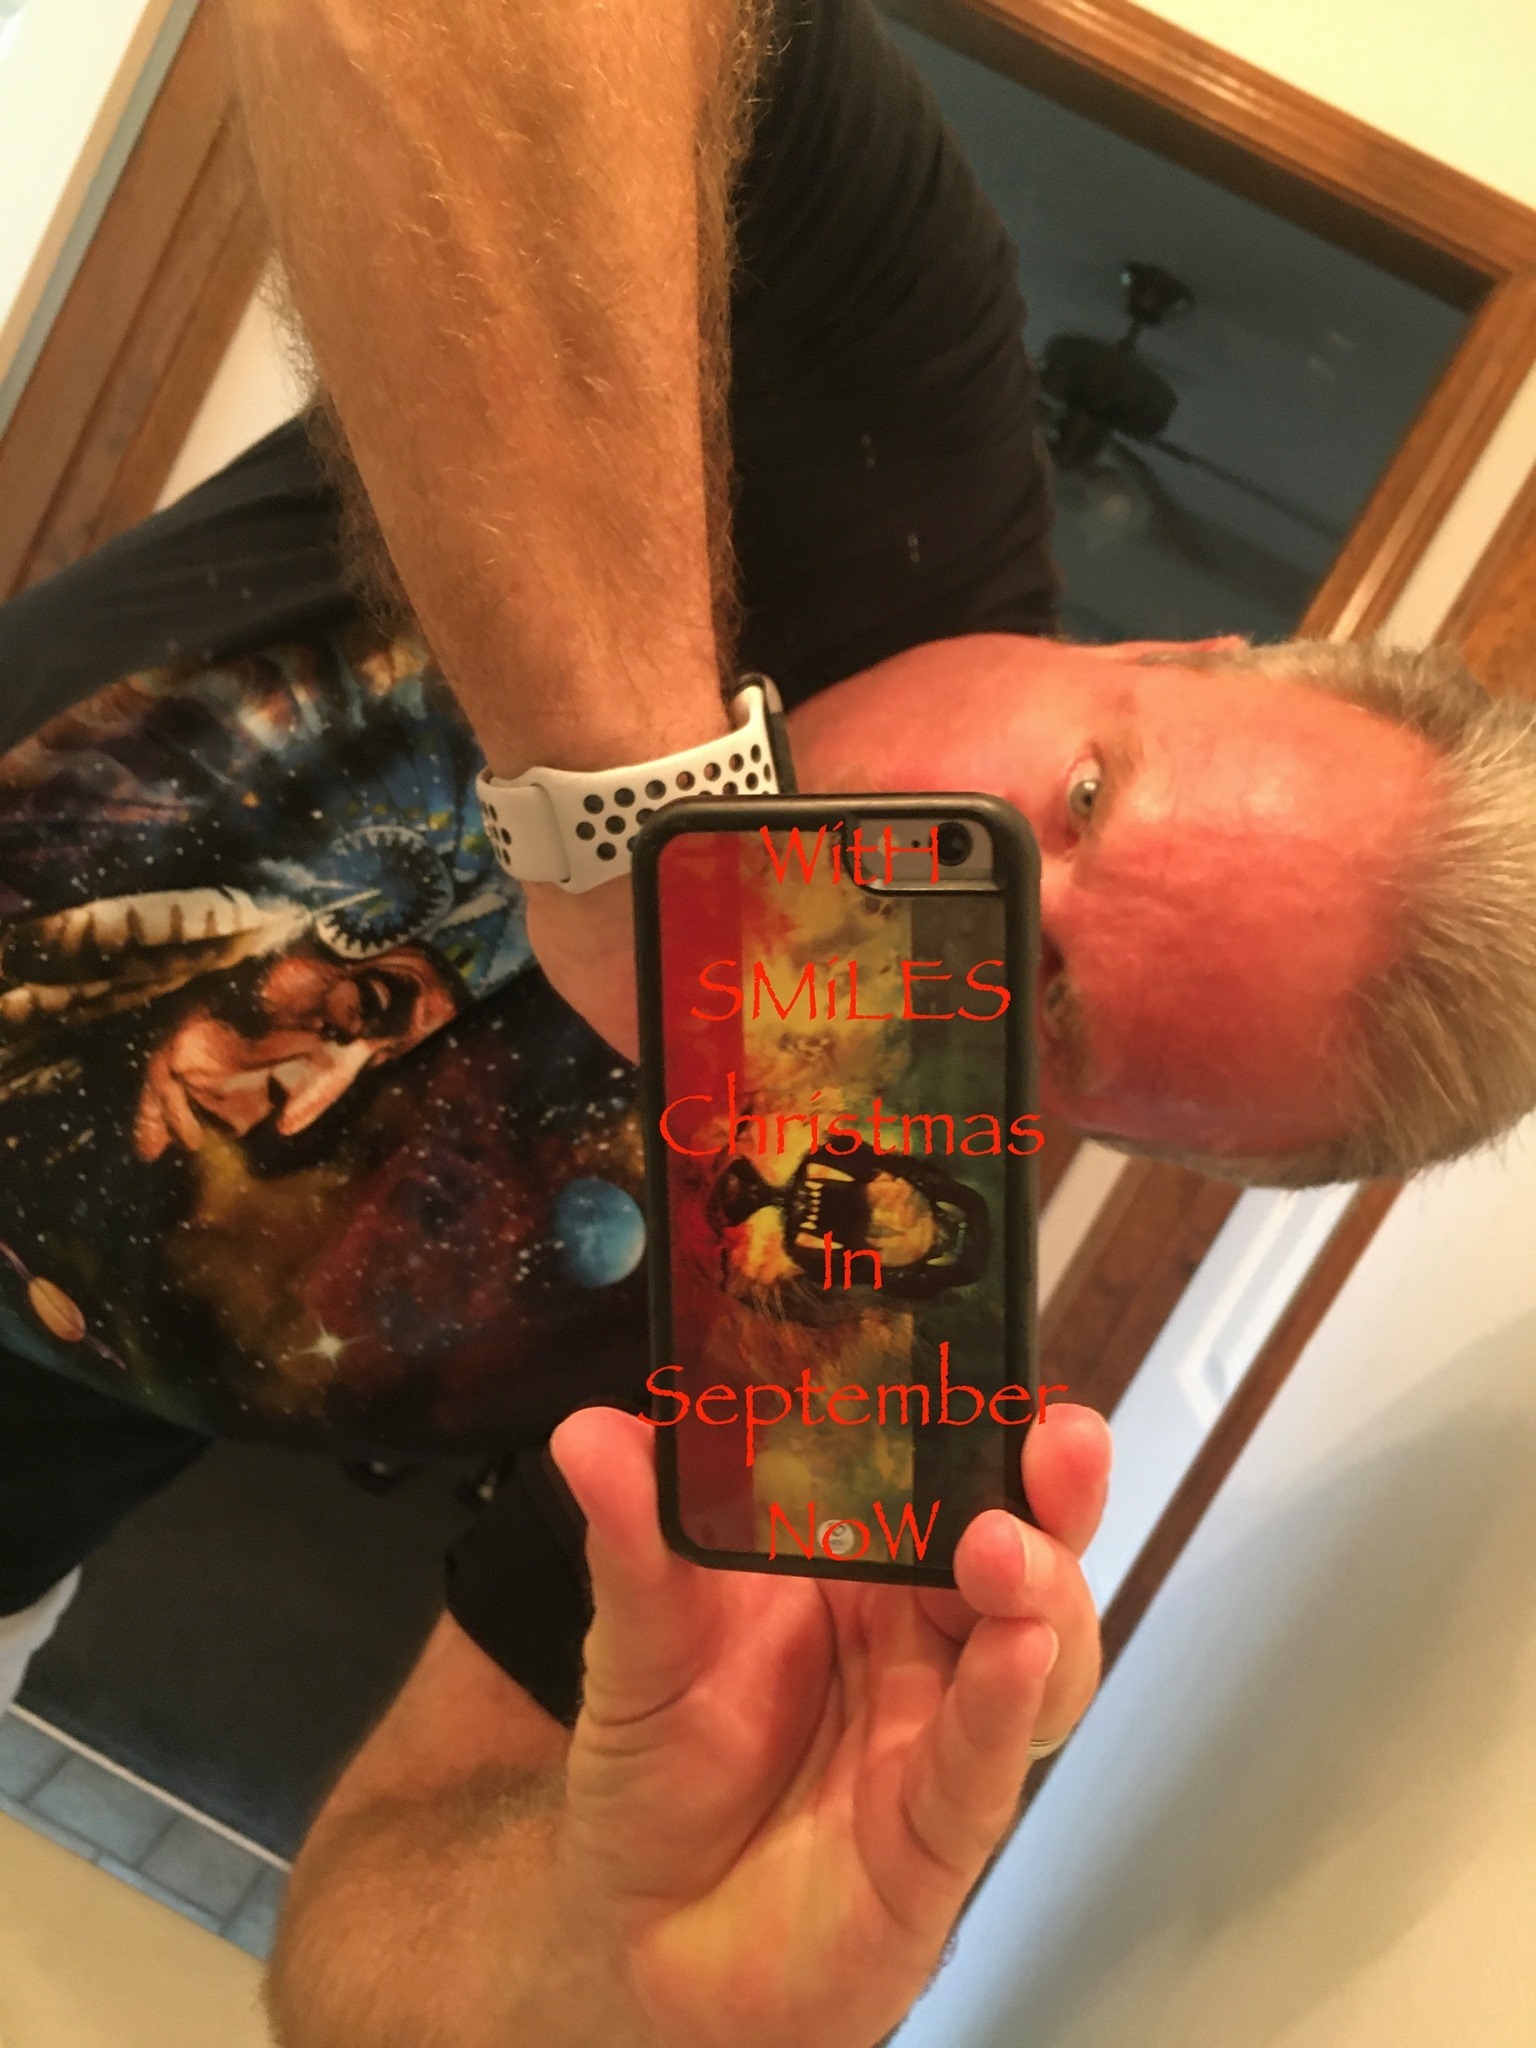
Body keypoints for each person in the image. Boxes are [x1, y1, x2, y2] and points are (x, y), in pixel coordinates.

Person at [0, 0, 1533, 2032]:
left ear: (1094, 1142)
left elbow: (364, 1959)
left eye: (1052, 1013)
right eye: (1087, 795)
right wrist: (642, 823)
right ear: (1180, 650)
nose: (980, 880)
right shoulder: (871, 397)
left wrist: (611, 1958)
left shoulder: (839, 1298)